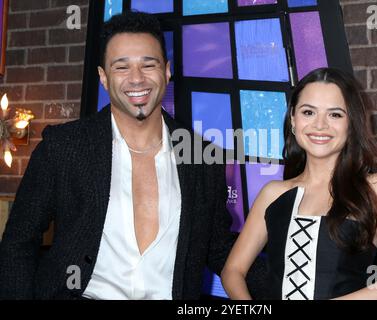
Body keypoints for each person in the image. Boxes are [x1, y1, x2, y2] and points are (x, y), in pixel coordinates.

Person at [0, 11, 265, 300]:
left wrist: (291, 286)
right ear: (103, 77)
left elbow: (218, 247)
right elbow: (19, 241)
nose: (136, 79)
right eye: (121, 67)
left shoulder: (201, 157)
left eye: (148, 65)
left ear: (166, 71)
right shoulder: (64, 147)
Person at [221, 67, 377, 300]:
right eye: (308, 112)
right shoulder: (272, 194)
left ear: (351, 124)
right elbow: (232, 271)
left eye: (335, 114)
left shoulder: (375, 189)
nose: (320, 125)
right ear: (293, 119)